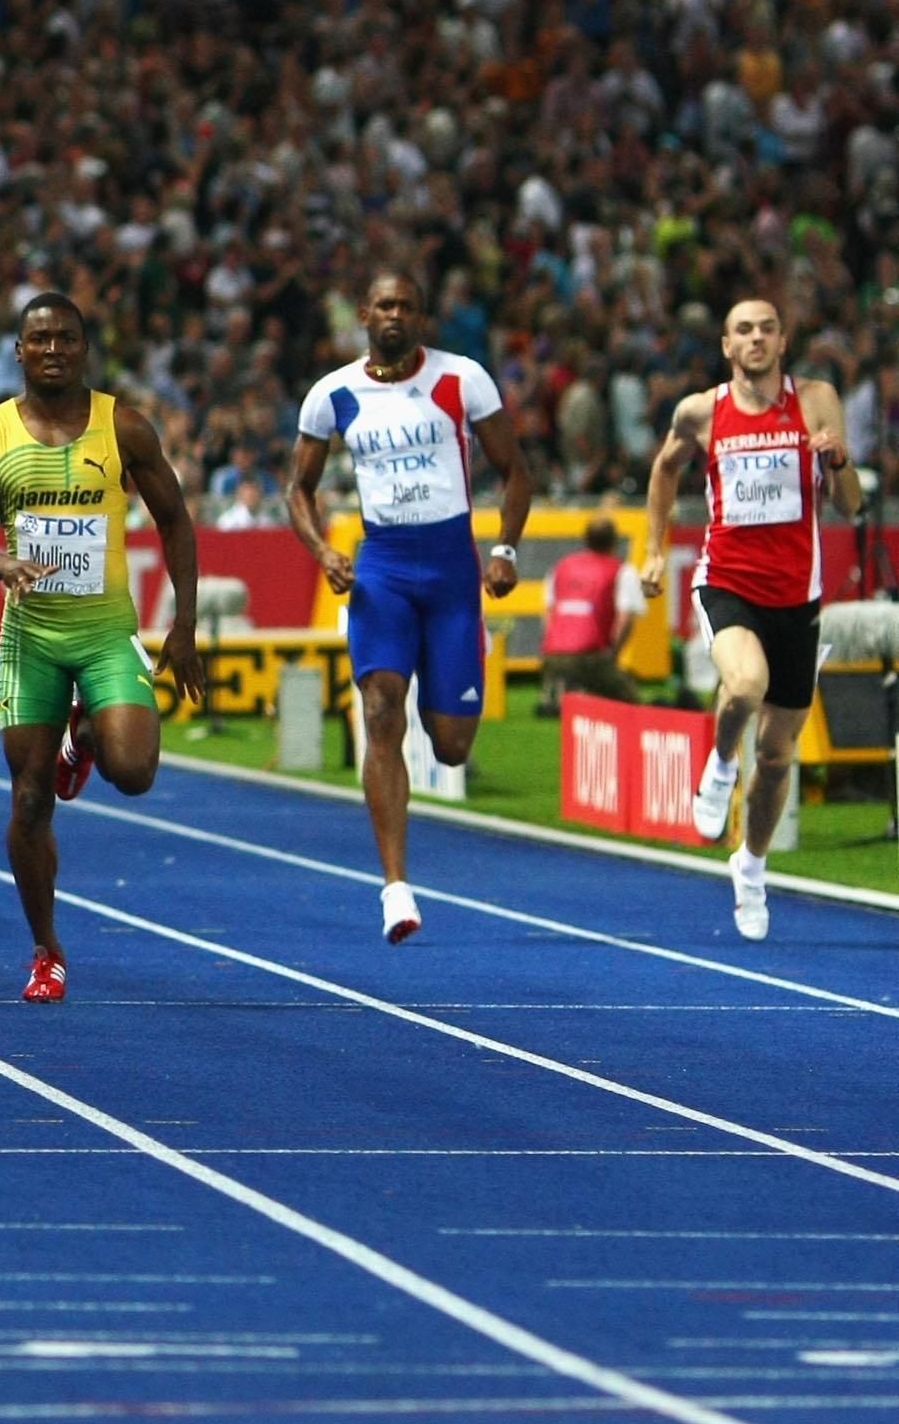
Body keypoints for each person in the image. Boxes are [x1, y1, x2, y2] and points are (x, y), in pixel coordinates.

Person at [0, 292, 204, 1001]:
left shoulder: (123, 427)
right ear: (18, 352)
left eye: (65, 338)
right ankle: (45, 949)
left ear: (83, 348)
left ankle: (82, 735)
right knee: (29, 800)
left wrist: (183, 624)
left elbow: (176, 521)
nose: (52, 349)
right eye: (39, 339)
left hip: (103, 633)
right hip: (30, 637)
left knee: (134, 768)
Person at [285, 272, 535, 943]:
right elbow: (297, 488)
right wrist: (321, 551)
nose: (394, 314)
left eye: (406, 306)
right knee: (378, 707)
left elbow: (515, 471)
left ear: (421, 316)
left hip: (452, 570)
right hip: (383, 569)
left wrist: (505, 549)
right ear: (364, 312)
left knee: (450, 746)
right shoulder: (331, 394)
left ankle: (439, 696)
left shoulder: (462, 379)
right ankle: (395, 885)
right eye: (383, 304)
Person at [641, 296, 855, 942]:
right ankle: (717, 765)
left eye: (766, 327)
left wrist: (837, 461)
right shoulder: (700, 411)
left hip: (796, 594)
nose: (755, 337)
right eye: (742, 329)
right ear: (726, 346)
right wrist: (654, 547)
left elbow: (849, 504)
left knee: (779, 752)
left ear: (781, 341)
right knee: (743, 684)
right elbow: (661, 470)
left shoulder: (815, 400)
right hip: (727, 581)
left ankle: (751, 867)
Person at [536, 519, 645, 712]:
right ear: (614, 541)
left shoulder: (562, 567)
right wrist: (613, 653)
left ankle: (558, 695)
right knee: (631, 704)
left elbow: (548, 615)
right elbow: (625, 619)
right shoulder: (622, 570)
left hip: (553, 656)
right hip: (591, 655)